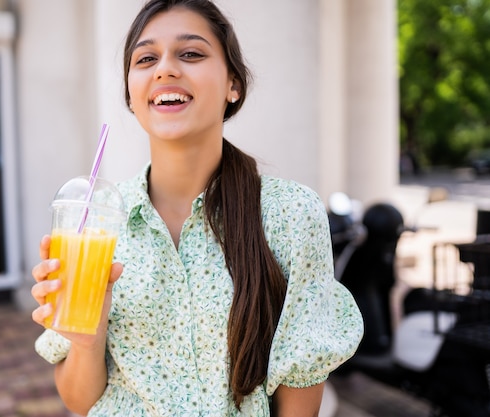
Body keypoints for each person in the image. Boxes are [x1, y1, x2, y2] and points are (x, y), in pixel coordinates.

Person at [30, 0, 363, 415]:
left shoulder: (290, 214)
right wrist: (87, 337)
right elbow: (80, 401)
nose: (164, 69)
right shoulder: (96, 225)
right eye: (146, 58)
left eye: (190, 53)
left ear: (233, 85)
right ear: (132, 95)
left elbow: (300, 392)